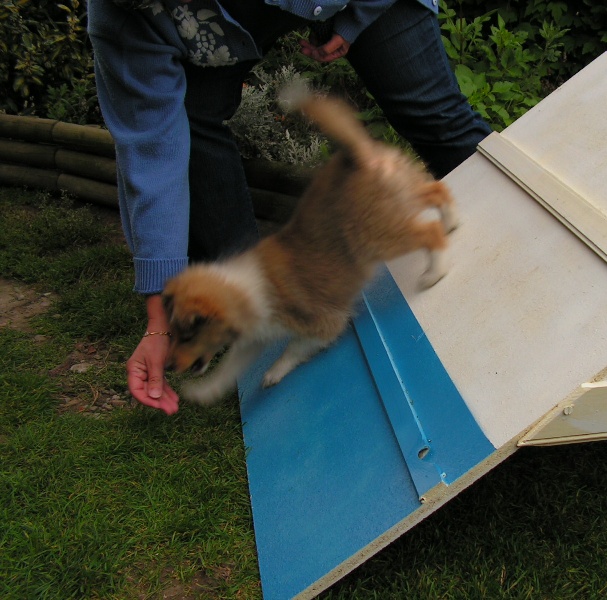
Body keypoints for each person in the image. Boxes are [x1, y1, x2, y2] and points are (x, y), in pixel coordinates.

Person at [87, 0, 491, 415]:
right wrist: (159, 319)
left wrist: (354, 20)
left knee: (435, 114)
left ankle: (513, 248)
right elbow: (151, 152)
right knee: (190, 114)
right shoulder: (121, 19)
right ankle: (257, 295)